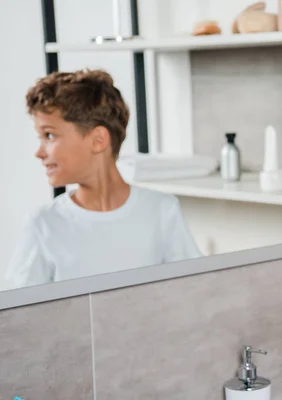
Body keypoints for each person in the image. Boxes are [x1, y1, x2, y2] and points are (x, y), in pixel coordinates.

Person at [5, 69, 201, 288]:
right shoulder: (43, 225)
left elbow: (195, 293)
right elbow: (18, 316)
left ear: (98, 140)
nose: (39, 152)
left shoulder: (162, 211)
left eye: (49, 135)